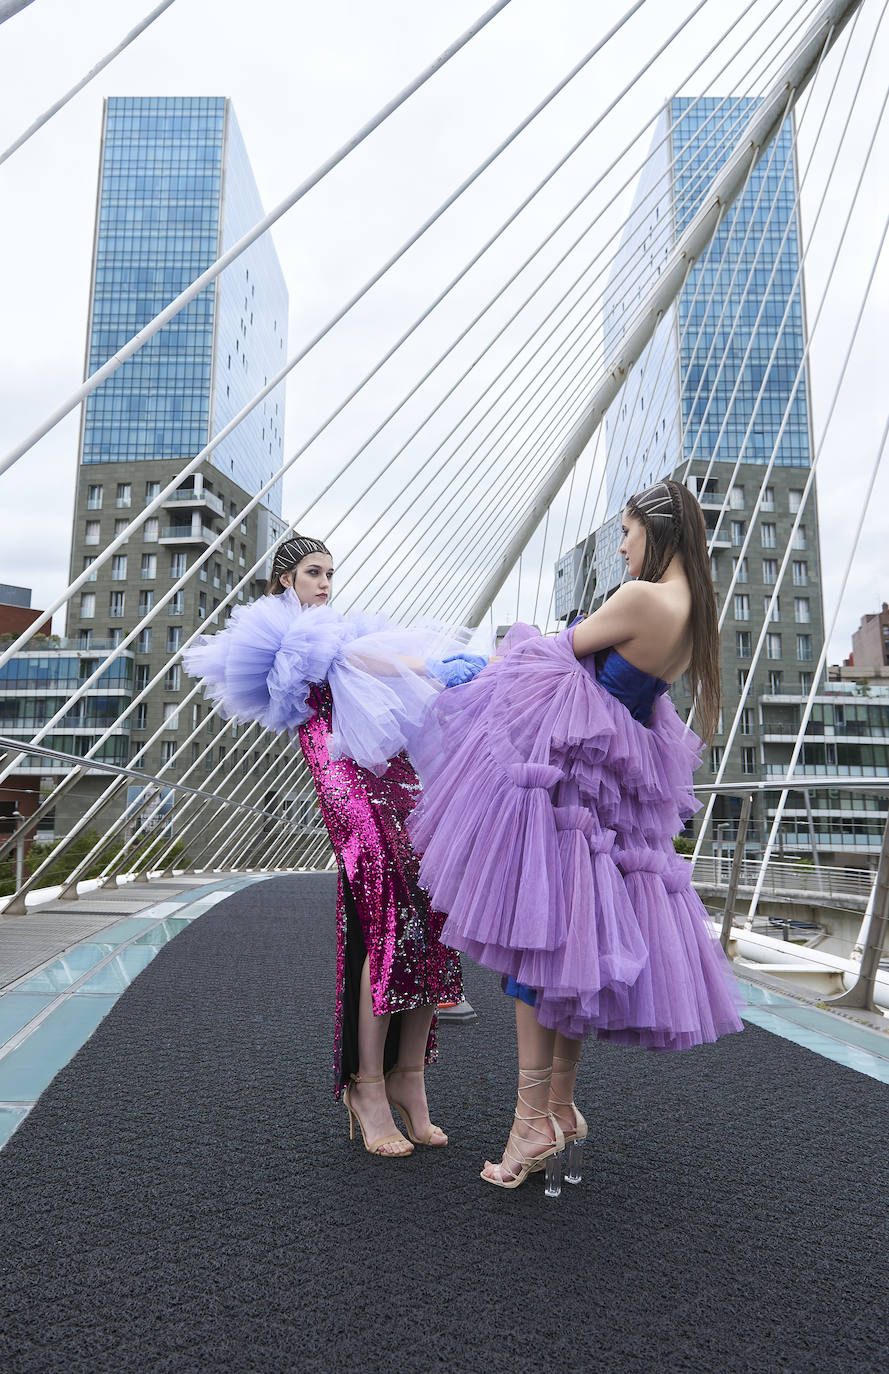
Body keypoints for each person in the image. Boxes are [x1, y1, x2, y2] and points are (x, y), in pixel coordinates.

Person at [409, 480, 744, 1191]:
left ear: (655, 531)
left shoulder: (642, 599)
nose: (620, 546)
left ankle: (532, 1124)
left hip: (566, 802)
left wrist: (471, 670)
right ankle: (556, 1109)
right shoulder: (692, 615)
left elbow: (549, 658)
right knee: (567, 956)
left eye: (625, 532)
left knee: (538, 955)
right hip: (606, 806)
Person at [184, 535, 484, 1158]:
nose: (324, 582)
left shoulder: (338, 630)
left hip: (389, 771)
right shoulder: (291, 635)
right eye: (313, 572)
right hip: (346, 782)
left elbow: (376, 675)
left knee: (431, 909)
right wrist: (430, 667)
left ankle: (409, 1077)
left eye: (329, 573)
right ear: (286, 579)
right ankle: (367, 1086)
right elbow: (358, 664)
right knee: (384, 917)